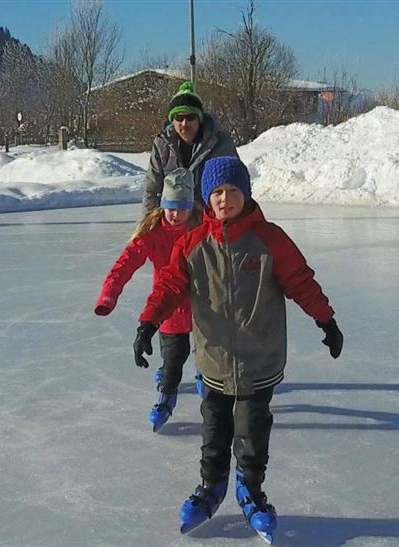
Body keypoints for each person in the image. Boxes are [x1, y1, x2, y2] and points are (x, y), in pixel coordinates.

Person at [133, 156, 344, 540]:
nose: (224, 199)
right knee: (214, 432)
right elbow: (167, 286)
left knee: (251, 432)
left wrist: (325, 319)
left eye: (232, 191)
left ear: (245, 194)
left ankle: (251, 491)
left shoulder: (270, 239)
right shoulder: (193, 243)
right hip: (213, 360)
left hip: (258, 359)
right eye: (216, 192)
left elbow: (300, 280)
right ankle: (210, 489)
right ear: (206, 199)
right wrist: (147, 324)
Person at [95, 168, 200, 431]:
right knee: (174, 359)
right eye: (171, 208)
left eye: (182, 208)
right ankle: (166, 395)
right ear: (163, 205)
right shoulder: (152, 234)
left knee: (206, 351)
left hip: (203, 308)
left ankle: (204, 374)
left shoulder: (202, 228)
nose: (176, 215)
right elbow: (124, 265)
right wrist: (108, 296)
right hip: (168, 310)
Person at [142, 81, 239, 215]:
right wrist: (149, 225)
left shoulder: (221, 143)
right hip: (175, 219)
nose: (184, 123)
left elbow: (235, 186)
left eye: (190, 117)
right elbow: (152, 188)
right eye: (179, 117)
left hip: (209, 219)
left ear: (199, 118)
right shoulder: (162, 144)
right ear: (172, 120)